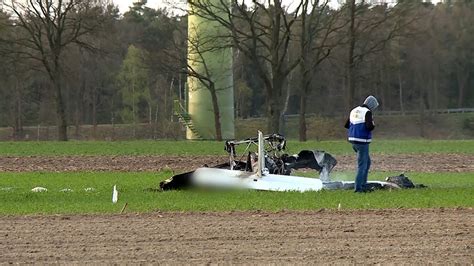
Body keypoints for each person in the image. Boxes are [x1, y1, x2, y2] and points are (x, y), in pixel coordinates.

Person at [344, 95, 379, 193]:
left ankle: (364, 185)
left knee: (367, 163)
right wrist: (373, 124)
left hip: (353, 140)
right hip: (362, 141)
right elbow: (369, 127)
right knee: (362, 165)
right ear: (371, 105)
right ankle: (359, 188)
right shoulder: (367, 112)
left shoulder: (354, 110)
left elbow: (346, 125)